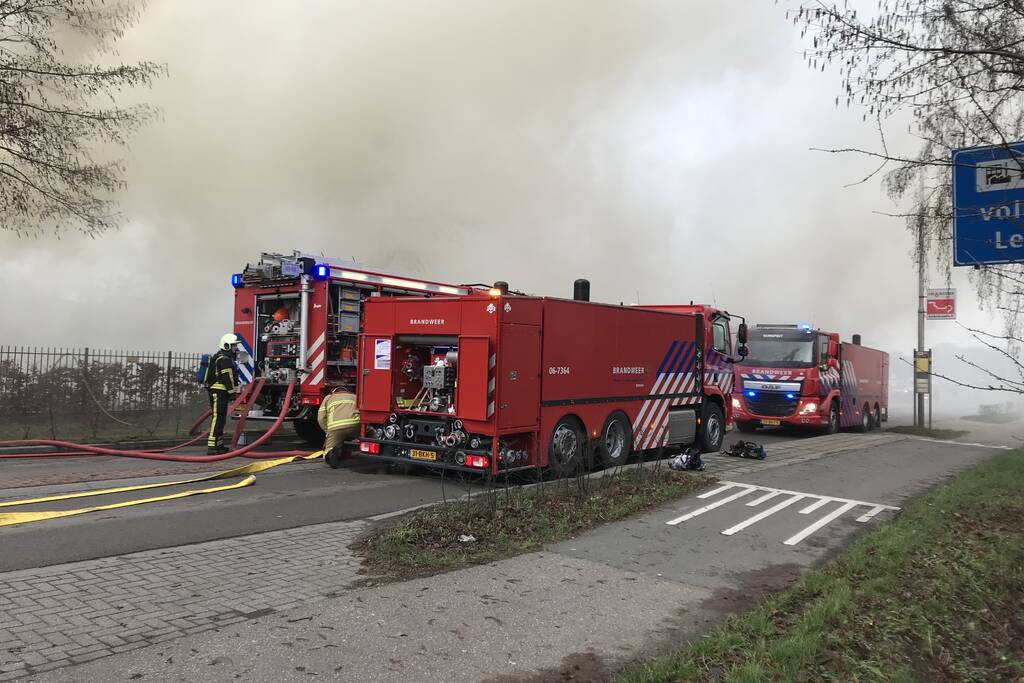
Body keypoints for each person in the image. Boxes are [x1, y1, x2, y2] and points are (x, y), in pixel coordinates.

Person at [203, 333, 240, 454]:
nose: (235, 348)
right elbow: (227, 377)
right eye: (234, 346)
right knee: (218, 417)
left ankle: (219, 445)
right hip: (219, 392)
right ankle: (212, 446)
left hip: (220, 392)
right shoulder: (224, 359)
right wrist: (233, 392)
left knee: (221, 418)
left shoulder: (222, 357)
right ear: (227, 346)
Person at [318, 386, 359, 467]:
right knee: (370, 432)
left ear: (334, 391)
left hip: (336, 429)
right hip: (355, 426)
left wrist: (328, 431)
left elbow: (321, 418)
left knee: (329, 449)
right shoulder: (355, 396)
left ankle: (331, 455)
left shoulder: (328, 397)